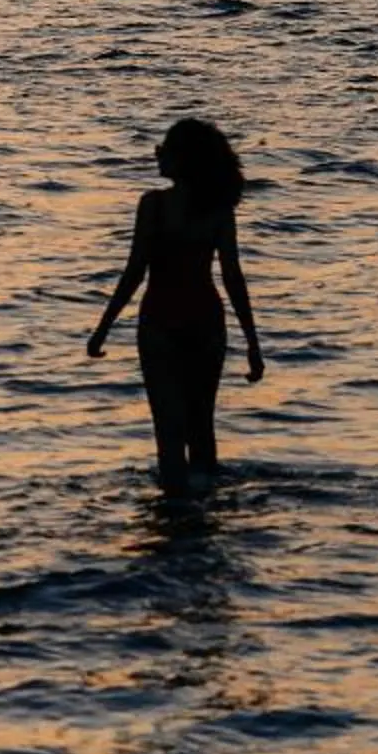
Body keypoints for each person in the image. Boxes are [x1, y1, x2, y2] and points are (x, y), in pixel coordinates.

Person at [86, 118, 264, 491]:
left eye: (163, 150)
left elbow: (135, 272)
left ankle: (175, 513)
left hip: (160, 325)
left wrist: (102, 329)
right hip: (206, 325)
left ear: (182, 159)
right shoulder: (219, 211)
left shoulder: (153, 206)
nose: (157, 156)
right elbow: (233, 278)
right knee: (202, 431)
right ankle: (205, 508)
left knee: (169, 436)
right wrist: (252, 343)